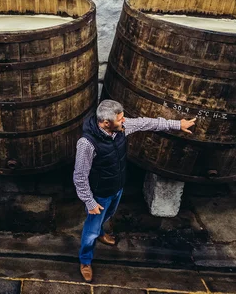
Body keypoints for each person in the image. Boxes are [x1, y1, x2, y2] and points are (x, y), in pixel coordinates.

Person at [74, 99, 196, 282]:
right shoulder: (87, 144)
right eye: (120, 119)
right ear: (106, 123)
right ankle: (85, 260)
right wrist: (90, 202)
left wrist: (177, 124)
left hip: (117, 186)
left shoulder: (121, 127)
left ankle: (101, 232)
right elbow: (80, 177)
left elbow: (147, 122)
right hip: (100, 194)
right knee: (90, 229)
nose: (125, 121)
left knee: (108, 215)